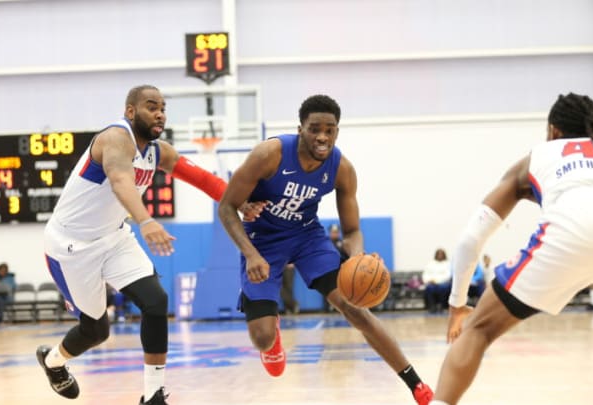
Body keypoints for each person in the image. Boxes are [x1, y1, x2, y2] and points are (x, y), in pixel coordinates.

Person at [36, 85, 262, 404]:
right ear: (131, 112)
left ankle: (153, 395)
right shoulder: (114, 139)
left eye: (163, 108)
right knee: (96, 331)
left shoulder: (159, 151)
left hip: (114, 238)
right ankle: (54, 362)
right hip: (71, 246)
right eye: (151, 107)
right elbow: (120, 182)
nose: (159, 113)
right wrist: (145, 220)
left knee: (156, 302)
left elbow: (202, 179)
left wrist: (240, 201)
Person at [218, 94, 434, 404]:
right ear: (300, 129)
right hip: (263, 241)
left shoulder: (341, 168)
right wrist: (250, 253)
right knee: (262, 338)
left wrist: (358, 255)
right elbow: (226, 207)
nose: (322, 136)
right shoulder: (270, 154)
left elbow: (352, 230)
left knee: (355, 308)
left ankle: (416, 385)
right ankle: (273, 338)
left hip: (308, 238)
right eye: (314, 128)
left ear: (337, 131)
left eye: (329, 129)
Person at [430, 93, 593, 405]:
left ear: (553, 131)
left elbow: (471, 239)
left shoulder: (541, 155)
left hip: (572, 231)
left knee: (478, 330)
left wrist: (457, 305)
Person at [422, 248, 452, 313]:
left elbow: (448, 275)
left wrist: (437, 281)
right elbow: (426, 274)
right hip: (431, 282)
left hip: (443, 283)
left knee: (444, 288)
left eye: (441, 254)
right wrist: (429, 280)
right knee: (429, 288)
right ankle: (432, 306)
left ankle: (442, 306)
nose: (440, 255)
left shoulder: (448, 264)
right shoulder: (430, 263)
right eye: (438, 254)